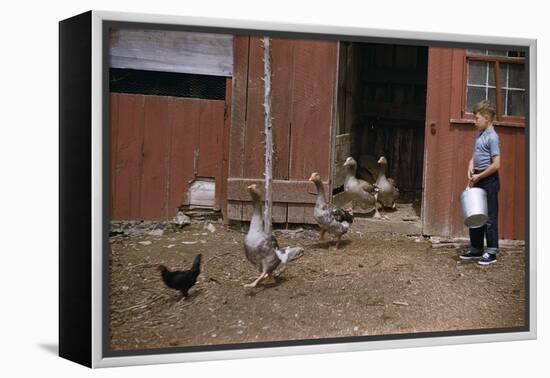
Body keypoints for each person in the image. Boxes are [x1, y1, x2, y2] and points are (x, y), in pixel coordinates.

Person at [460, 100, 500, 265]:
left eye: (476, 118)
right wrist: (471, 165)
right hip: (477, 177)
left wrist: (480, 176)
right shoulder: (480, 134)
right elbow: (475, 155)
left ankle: (491, 252)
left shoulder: (493, 137)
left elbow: (496, 165)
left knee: (489, 217)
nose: (474, 121)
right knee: (475, 214)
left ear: (486, 118)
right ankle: (476, 249)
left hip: (488, 180)